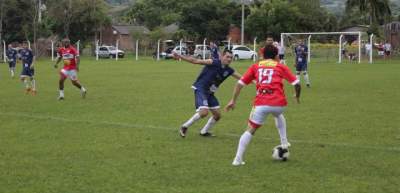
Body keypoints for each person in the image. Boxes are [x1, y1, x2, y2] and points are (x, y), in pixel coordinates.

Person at [225, 44, 301, 166]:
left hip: (261, 103)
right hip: (279, 103)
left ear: (262, 55)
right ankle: (284, 142)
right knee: (278, 115)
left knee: (250, 130)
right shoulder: (280, 66)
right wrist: (297, 96)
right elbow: (297, 83)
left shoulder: (255, 66)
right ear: (276, 56)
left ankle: (237, 159)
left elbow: (239, 84)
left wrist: (233, 100)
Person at [173, 50, 242, 137]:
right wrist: (180, 56)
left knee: (217, 115)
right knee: (204, 112)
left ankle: (204, 132)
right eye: (227, 57)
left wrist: (257, 81)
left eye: (231, 58)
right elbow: (195, 61)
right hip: (201, 89)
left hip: (210, 93)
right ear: (221, 56)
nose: (229, 59)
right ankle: (184, 126)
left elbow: (243, 78)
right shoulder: (213, 62)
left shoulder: (229, 70)